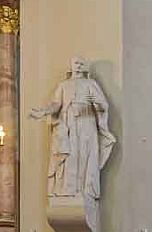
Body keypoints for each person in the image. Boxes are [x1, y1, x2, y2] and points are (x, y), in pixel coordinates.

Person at [30, 57, 116, 200]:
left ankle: (85, 189)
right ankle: (68, 189)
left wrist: (96, 104)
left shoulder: (91, 84)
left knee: (86, 154)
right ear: (71, 65)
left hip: (87, 122)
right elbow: (56, 104)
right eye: (76, 63)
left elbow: (103, 106)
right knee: (71, 154)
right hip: (69, 123)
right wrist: (44, 111)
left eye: (81, 63)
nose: (78, 66)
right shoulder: (64, 85)